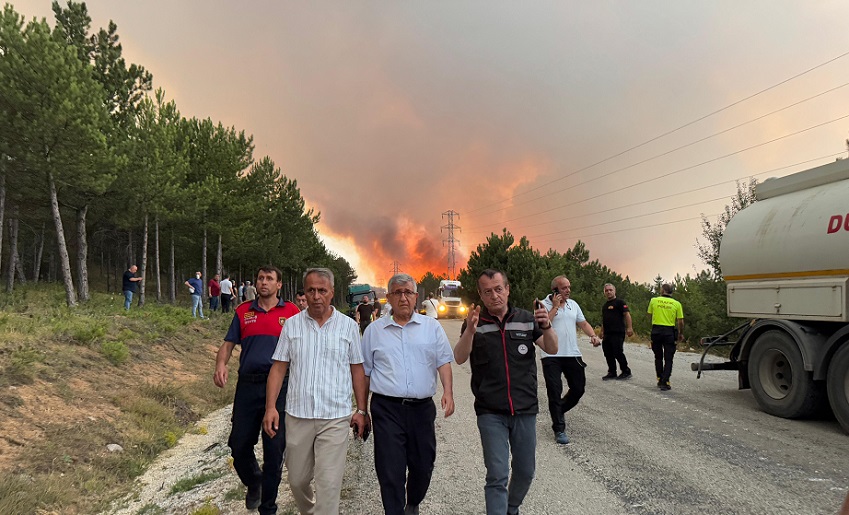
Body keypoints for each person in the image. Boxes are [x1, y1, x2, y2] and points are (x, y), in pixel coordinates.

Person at [263, 267, 368, 515]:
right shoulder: (291, 326)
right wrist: (270, 408)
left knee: (329, 484)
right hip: (298, 415)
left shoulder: (348, 327)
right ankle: (310, 511)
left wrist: (362, 409)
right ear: (305, 294)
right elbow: (278, 369)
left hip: (335, 416)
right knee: (297, 481)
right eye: (311, 290)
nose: (316, 296)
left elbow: (357, 370)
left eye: (322, 290)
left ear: (332, 293)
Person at [453, 269, 557, 515]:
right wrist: (469, 329)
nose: (494, 296)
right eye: (487, 291)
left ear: (508, 289)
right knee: (497, 475)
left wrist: (547, 326)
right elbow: (459, 357)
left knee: (525, 471)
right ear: (480, 294)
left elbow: (552, 348)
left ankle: (511, 507)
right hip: (490, 412)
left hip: (524, 408)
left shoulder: (525, 318)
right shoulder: (474, 323)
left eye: (499, 289)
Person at [362, 274, 454, 515]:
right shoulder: (374, 331)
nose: (403, 297)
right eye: (397, 292)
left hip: (422, 408)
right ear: (389, 297)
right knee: (389, 468)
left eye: (408, 292)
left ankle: (413, 501)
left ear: (416, 297)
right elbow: (365, 373)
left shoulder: (431, 327)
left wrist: (448, 392)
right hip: (386, 408)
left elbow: (444, 361)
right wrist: (362, 410)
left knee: (423, 464)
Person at [214, 266, 300, 514]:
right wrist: (221, 364)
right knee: (239, 444)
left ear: (279, 285)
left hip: (281, 386)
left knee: (274, 451)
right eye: (260, 278)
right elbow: (228, 343)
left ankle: (268, 507)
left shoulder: (292, 313)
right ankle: (254, 480)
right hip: (248, 385)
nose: (263, 282)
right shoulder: (243, 311)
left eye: (269, 279)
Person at [541, 275, 600, 445]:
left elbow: (583, 323)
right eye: (564, 288)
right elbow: (544, 324)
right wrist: (555, 307)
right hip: (551, 354)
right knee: (554, 390)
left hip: (572, 353)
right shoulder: (543, 304)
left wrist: (593, 336)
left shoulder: (573, 305)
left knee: (578, 388)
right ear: (555, 290)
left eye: (569, 287)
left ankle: (557, 410)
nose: (568, 290)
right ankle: (559, 428)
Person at [648, 283, 684, 391]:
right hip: (669, 332)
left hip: (656, 330)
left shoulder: (654, 300)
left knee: (658, 356)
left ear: (662, 290)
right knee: (669, 358)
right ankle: (665, 381)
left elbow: (650, 315)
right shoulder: (677, 304)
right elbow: (680, 321)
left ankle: (659, 378)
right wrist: (680, 333)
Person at [599, 283, 634, 380]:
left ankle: (626, 371)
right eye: (606, 290)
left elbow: (627, 315)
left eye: (610, 290)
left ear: (615, 291)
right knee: (608, 353)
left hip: (618, 332)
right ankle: (612, 372)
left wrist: (629, 328)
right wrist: (602, 331)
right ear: (604, 293)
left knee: (618, 352)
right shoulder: (605, 306)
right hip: (607, 333)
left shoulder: (620, 302)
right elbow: (604, 319)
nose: (608, 292)